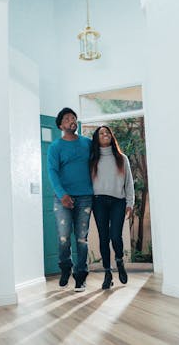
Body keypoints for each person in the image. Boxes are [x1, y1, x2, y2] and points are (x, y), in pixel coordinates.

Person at [47, 107, 93, 292]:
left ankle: (80, 276)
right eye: (67, 118)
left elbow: (101, 159)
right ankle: (66, 268)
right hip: (62, 198)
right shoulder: (55, 147)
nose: (71, 120)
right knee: (64, 237)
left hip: (85, 198)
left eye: (73, 118)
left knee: (82, 239)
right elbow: (52, 171)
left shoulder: (87, 143)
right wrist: (62, 194)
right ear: (60, 125)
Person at [89, 126, 134, 289]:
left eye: (107, 132)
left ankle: (119, 261)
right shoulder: (92, 159)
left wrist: (130, 203)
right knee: (103, 237)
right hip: (99, 201)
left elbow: (129, 183)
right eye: (101, 133)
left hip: (118, 201)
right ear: (97, 138)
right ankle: (107, 273)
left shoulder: (122, 158)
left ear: (111, 136)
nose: (105, 134)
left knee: (115, 236)